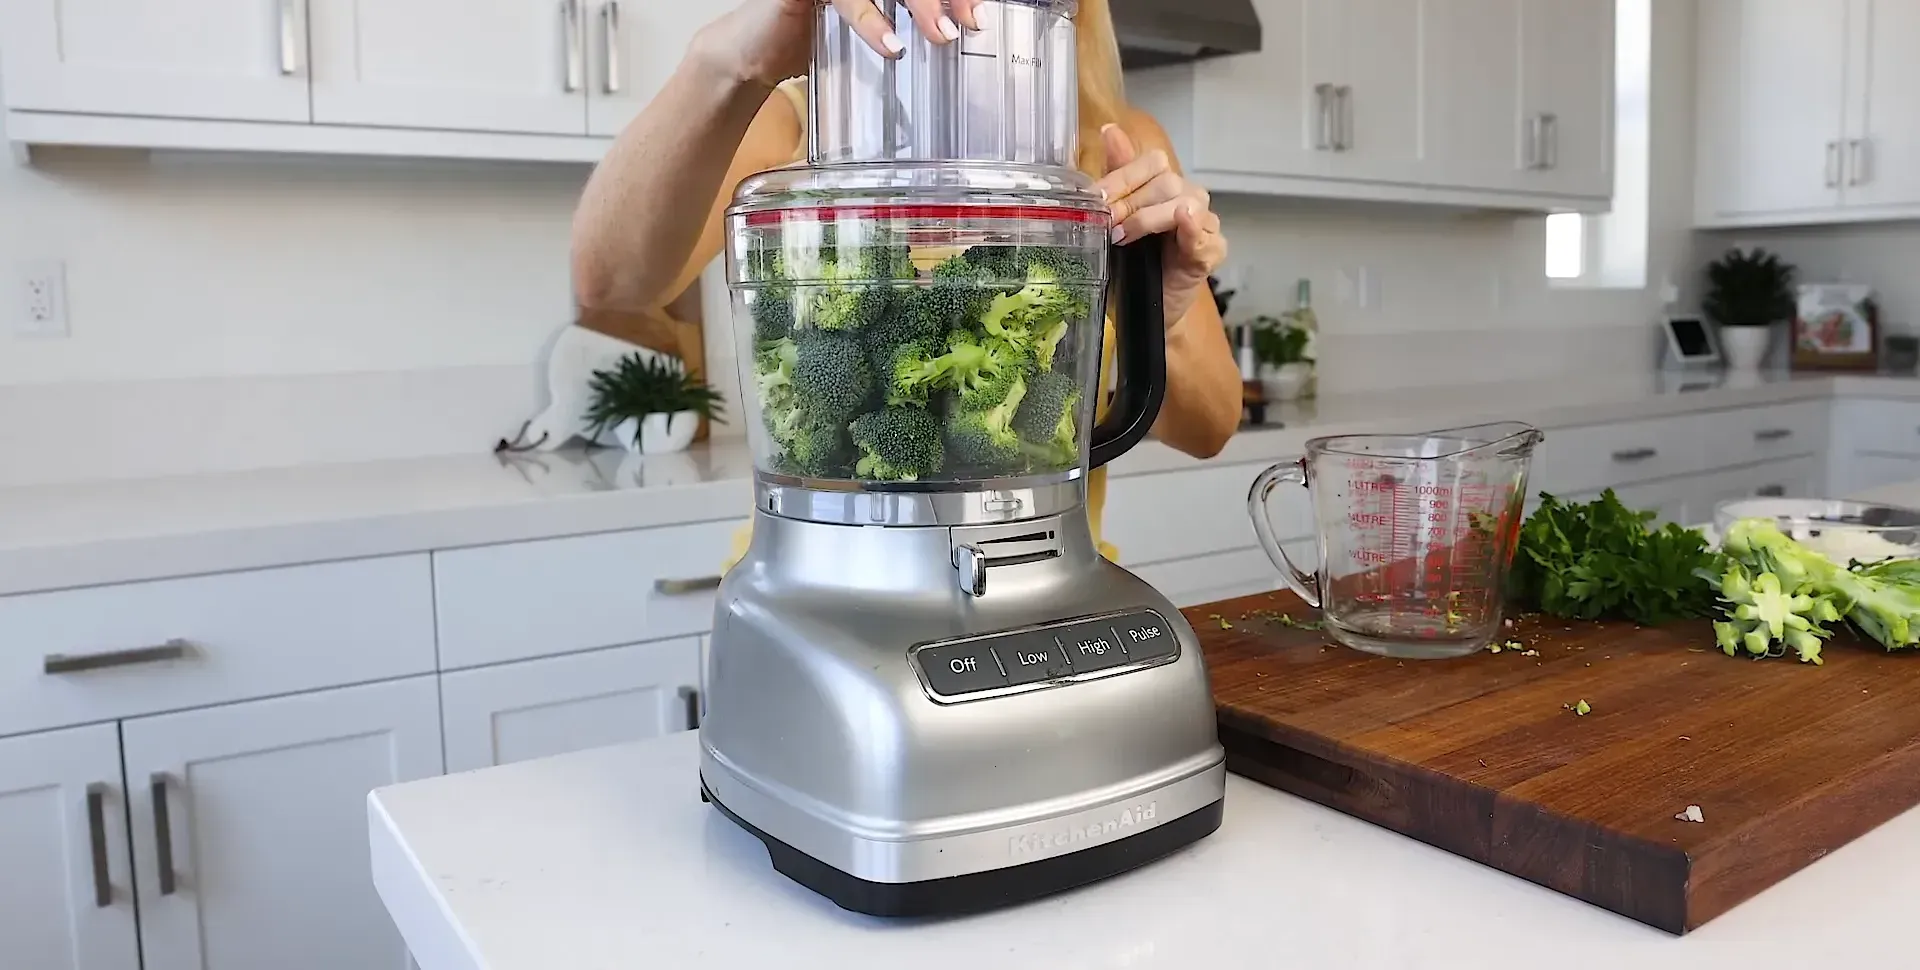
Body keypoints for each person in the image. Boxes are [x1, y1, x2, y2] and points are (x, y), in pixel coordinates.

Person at [571, 0, 1242, 565]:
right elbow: (610, 284)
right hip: (823, 575)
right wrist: (723, 62)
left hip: (1043, 578)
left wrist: (1159, 311)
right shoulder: (799, 122)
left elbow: (1209, 429)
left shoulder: (1121, 147)